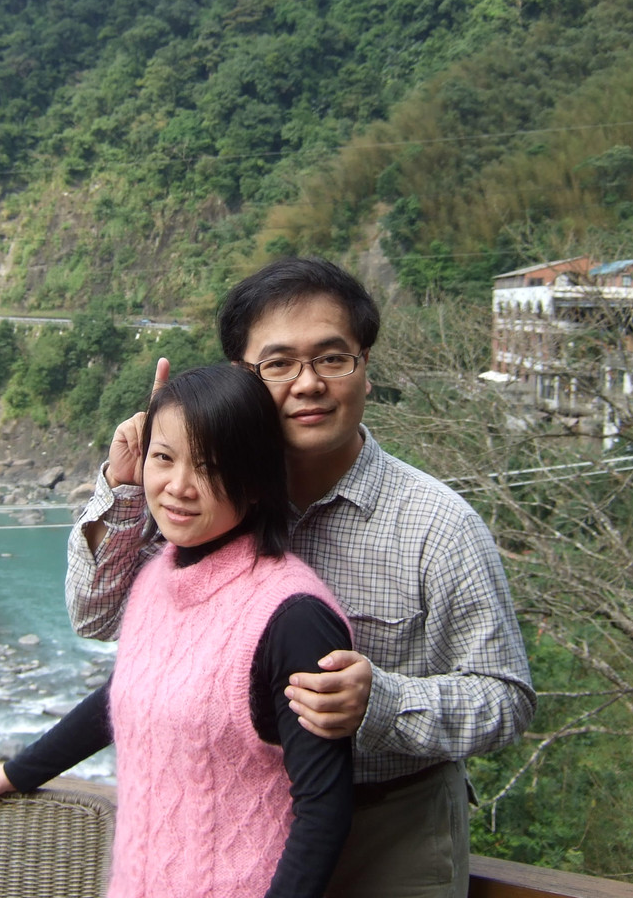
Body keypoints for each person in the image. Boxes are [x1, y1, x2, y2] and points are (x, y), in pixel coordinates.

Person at [67, 257, 536, 897]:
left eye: (332, 359)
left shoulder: (437, 526)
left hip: (388, 834)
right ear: (242, 378)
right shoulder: (203, 497)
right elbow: (96, 617)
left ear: (365, 367)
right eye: (279, 363)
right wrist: (126, 486)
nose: (308, 383)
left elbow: (506, 698)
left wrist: (381, 703)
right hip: (230, 835)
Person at [0, 364, 355, 898]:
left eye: (210, 466)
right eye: (164, 458)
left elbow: (323, 808)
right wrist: (14, 773)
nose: (179, 487)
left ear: (256, 480)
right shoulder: (158, 575)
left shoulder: (292, 617)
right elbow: (127, 691)